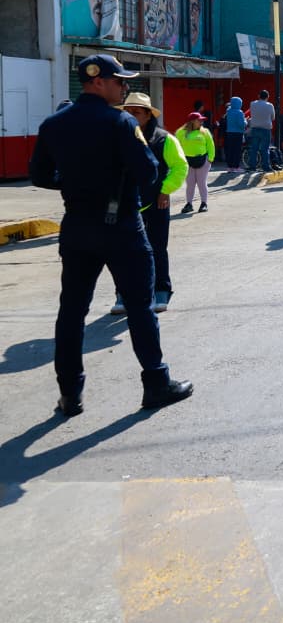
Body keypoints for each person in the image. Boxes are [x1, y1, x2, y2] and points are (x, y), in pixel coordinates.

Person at [27, 54, 193, 415]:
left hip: (77, 225)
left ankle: (70, 394)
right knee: (140, 308)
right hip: (122, 227)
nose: (124, 88)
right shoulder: (120, 122)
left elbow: (39, 175)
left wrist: (73, 183)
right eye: (120, 81)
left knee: (72, 311)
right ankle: (156, 383)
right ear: (99, 81)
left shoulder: (54, 124)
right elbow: (148, 172)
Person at [115, 93, 186, 314]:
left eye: (136, 112)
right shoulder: (117, 137)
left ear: (148, 115)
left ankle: (161, 290)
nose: (131, 116)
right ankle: (123, 295)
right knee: (123, 252)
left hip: (156, 203)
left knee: (157, 248)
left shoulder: (164, 139)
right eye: (127, 112)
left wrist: (165, 191)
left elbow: (180, 167)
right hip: (124, 204)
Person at [178, 112, 216, 213]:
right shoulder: (181, 132)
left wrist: (210, 159)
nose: (201, 122)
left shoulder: (205, 132)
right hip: (187, 161)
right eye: (199, 120)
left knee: (201, 183)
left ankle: (204, 203)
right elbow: (177, 147)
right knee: (190, 184)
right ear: (192, 121)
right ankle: (189, 204)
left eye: (201, 120)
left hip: (203, 160)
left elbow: (211, 145)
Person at [246, 89, 275, 172]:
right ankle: (265, 166)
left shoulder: (252, 104)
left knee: (254, 148)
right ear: (268, 97)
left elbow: (251, 114)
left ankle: (252, 166)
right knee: (265, 149)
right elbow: (273, 117)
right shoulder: (270, 105)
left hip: (255, 128)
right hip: (266, 129)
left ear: (259, 96)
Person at [223, 96, 246, 172]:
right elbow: (241, 124)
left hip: (229, 132)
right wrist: (245, 121)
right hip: (238, 133)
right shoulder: (239, 112)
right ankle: (236, 167)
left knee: (230, 150)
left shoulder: (229, 111)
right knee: (237, 150)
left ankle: (230, 167)